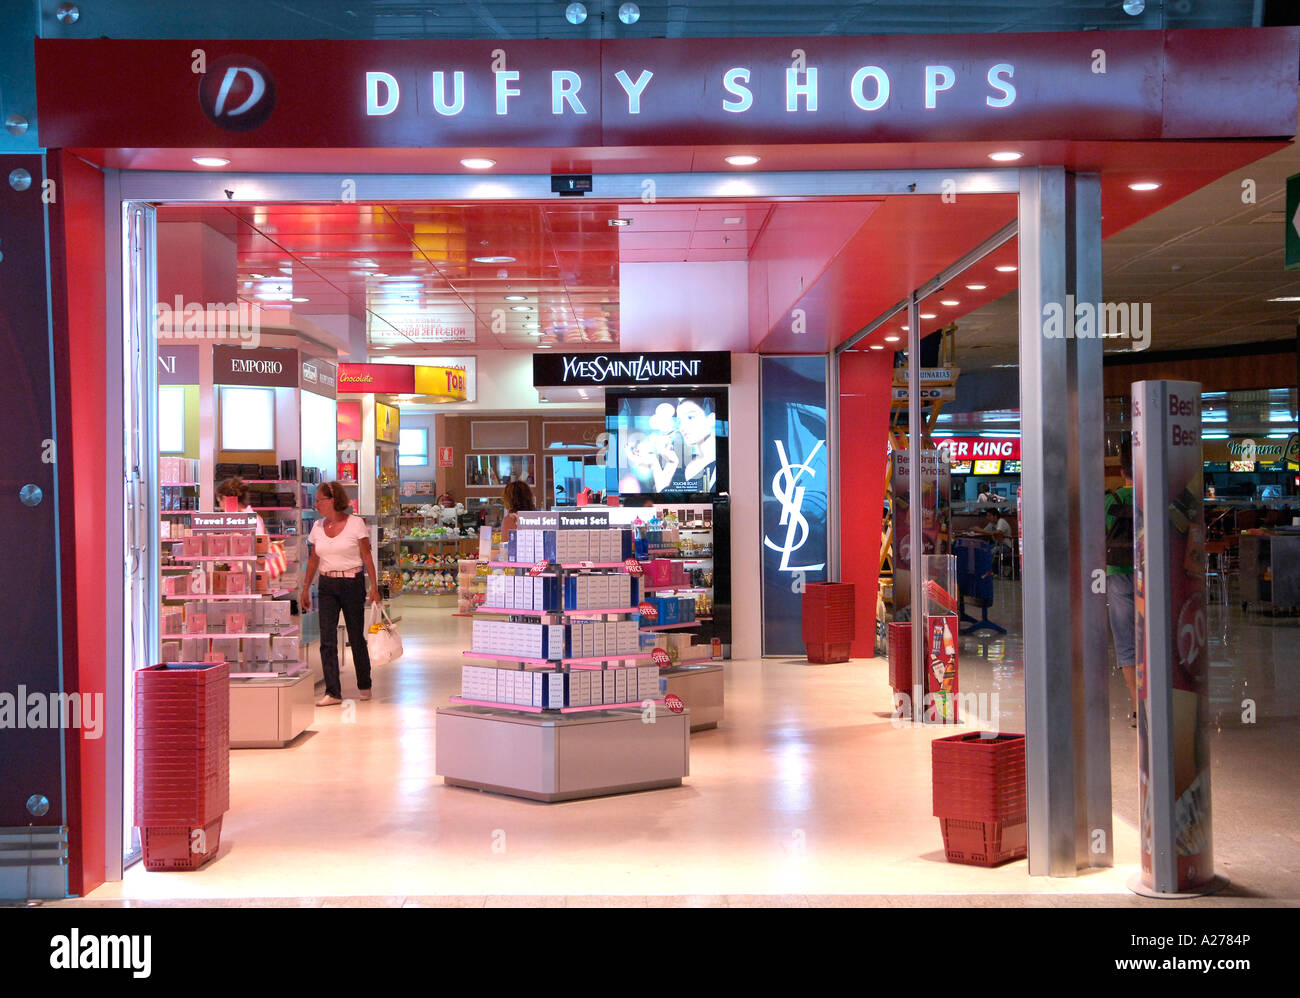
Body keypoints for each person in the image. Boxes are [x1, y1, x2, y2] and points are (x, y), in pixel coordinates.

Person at [301, 481, 380, 706]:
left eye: (319, 499)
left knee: (356, 637)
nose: (316, 503)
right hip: (326, 585)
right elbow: (314, 559)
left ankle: (364, 684)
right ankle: (333, 692)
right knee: (327, 639)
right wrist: (306, 587)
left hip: (352, 583)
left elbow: (366, 556)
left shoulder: (356, 524)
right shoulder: (317, 527)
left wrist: (374, 587)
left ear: (333, 500)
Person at [1105, 438, 1137, 727]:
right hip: (1151, 574)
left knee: (1126, 642)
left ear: (1121, 470)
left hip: (1118, 573)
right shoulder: (1156, 496)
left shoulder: (1110, 500)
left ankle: (1140, 708)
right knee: (1157, 638)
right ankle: (1161, 700)